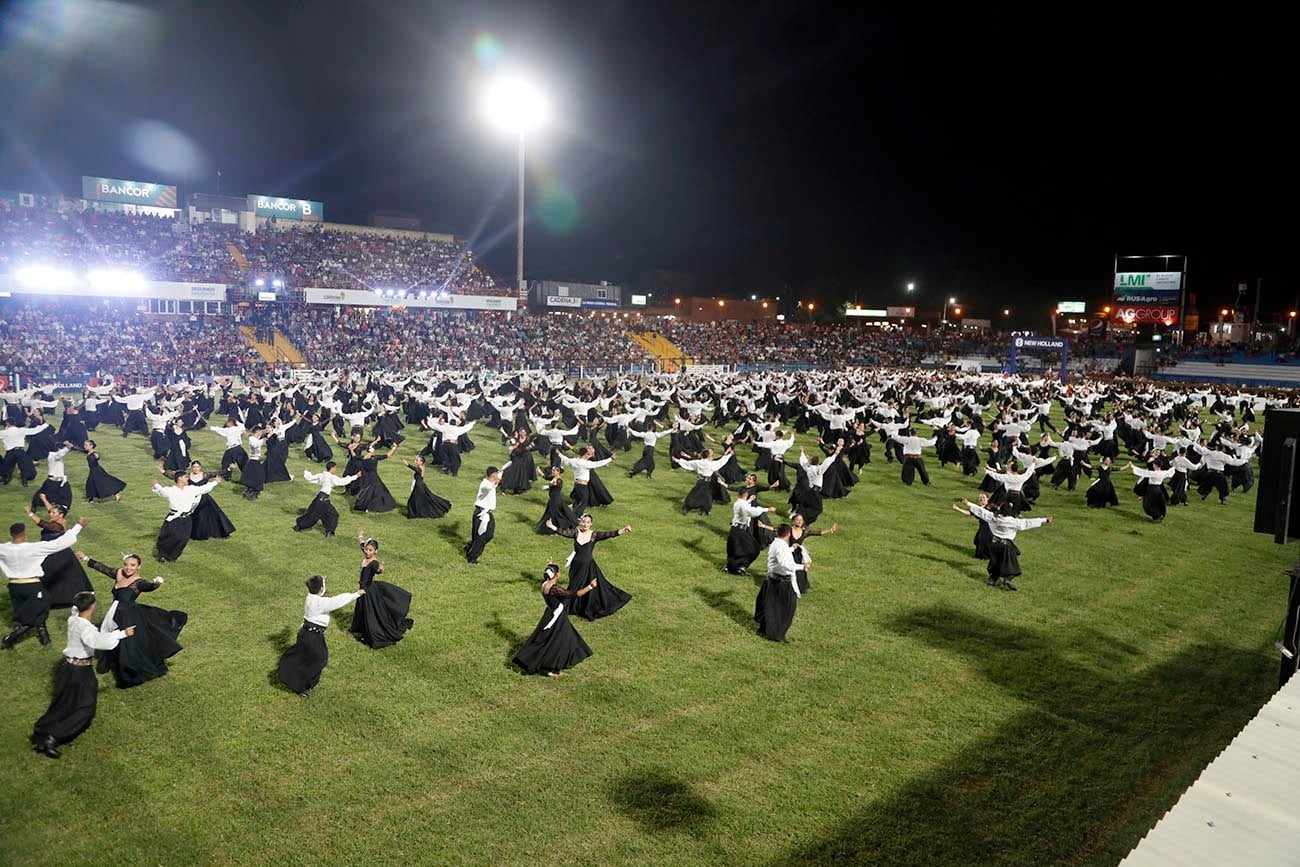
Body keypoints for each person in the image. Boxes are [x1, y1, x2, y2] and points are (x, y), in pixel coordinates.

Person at [30, 591, 136, 758]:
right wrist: (122, 633)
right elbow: (100, 642)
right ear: (92, 606)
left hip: (68, 668)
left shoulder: (74, 619)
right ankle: (53, 736)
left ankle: (42, 731)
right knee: (86, 708)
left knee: (63, 703)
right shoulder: (86, 628)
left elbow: (76, 611)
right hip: (81, 670)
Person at [77, 551, 187, 688]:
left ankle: (129, 674)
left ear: (139, 567)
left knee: (128, 645)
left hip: (129, 615)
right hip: (115, 613)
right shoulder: (119, 573)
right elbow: (102, 568)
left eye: (133, 565)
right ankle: (114, 661)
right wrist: (86, 558)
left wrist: (156, 583)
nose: (128, 568)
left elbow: (148, 586)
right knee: (113, 638)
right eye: (126, 565)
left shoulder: (138, 582)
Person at [1, 516, 86, 649]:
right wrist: (78, 526)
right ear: (24, 533)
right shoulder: (33, 548)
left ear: (11, 534)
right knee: (41, 606)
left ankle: (44, 638)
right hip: (31, 586)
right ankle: (10, 638)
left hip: (13, 587)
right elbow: (60, 543)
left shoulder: (3, 549)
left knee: (33, 611)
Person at [276, 575, 364, 696]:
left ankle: (303, 682)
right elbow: (337, 601)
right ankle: (301, 686)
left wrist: (322, 580)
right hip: (312, 637)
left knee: (305, 658)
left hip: (305, 633)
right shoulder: (320, 603)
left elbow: (320, 592)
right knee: (320, 659)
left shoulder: (310, 597)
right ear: (321, 589)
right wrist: (356, 594)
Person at [511, 560, 596, 677]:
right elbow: (574, 594)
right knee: (564, 641)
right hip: (557, 618)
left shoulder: (544, 585)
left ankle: (551, 667)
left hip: (549, 614)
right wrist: (590, 586)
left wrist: (550, 564)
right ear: (557, 575)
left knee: (551, 640)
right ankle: (551, 668)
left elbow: (549, 575)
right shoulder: (554, 589)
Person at [545, 514, 633, 620]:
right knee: (574, 586)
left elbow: (609, 534)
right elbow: (565, 532)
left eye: (587, 522)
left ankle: (586, 606)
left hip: (588, 567)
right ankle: (572, 606)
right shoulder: (576, 532)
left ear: (591, 524)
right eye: (583, 522)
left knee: (594, 587)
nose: (585, 524)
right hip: (576, 566)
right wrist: (552, 526)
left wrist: (623, 530)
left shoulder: (594, 535)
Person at [957, 498, 1054, 591]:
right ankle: (1007, 579)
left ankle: (992, 579)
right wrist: (1044, 520)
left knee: (995, 562)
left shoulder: (994, 518)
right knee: (1011, 564)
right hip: (1006, 546)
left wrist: (968, 503)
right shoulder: (1014, 522)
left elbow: (981, 511)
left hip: (994, 544)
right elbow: (1028, 522)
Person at [348, 532, 414, 648]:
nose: (367, 552)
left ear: (376, 551)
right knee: (362, 610)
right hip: (363, 589)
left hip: (368, 591)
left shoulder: (374, 563)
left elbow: (377, 570)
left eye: (370, 551)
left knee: (370, 613)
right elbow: (362, 546)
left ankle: (372, 634)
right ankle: (361, 628)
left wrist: (381, 569)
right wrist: (360, 538)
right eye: (366, 550)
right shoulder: (366, 554)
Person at [24, 498, 93, 607]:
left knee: (49, 575)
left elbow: (42, 524)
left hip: (54, 554)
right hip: (59, 552)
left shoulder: (57, 526)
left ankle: (53, 599)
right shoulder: (61, 521)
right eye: (50, 512)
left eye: (53, 513)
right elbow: (51, 511)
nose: (50, 514)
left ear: (61, 515)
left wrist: (30, 513)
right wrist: (44, 499)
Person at [150, 472, 221, 562]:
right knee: (169, 537)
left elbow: (203, 489)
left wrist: (215, 482)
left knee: (183, 539)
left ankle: (172, 556)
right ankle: (162, 554)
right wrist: (156, 484)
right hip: (174, 518)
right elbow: (162, 492)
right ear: (179, 478)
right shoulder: (171, 490)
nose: (188, 478)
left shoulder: (190, 489)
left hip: (186, 518)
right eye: (186, 477)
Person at [754, 524, 801, 642]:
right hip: (781, 582)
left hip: (772, 579)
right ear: (789, 534)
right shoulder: (781, 547)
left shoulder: (776, 543)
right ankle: (777, 635)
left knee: (770, 606)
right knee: (786, 609)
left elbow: (781, 553)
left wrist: (792, 548)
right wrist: (802, 566)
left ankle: (763, 629)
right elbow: (783, 563)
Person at [295, 463, 359, 535]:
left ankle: (329, 531)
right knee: (315, 516)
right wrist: (355, 476)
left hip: (320, 499)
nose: (335, 469)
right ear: (332, 468)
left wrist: (306, 472)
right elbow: (342, 481)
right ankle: (300, 526)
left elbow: (310, 478)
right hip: (323, 500)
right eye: (335, 468)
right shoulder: (332, 478)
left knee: (327, 514)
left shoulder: (321, 475)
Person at [465, 463, 510, 564]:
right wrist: (496, 482)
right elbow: (488, 488)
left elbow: (494, 483)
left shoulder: (490, 482)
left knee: (488, 535)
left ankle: (470, 547)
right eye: (496, 475)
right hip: (482, 514)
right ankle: (472, 557)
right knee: (481, 536)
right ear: (493, 476)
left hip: (487, 513)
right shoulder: (485, 485)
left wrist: (499, 476)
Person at [726, 489, 776, 575]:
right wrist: (767, 509)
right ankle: (740, 567)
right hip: (739, 530)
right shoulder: (742, 505)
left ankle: (731, 567)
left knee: (734, 549)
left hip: (735, 529)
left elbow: (745, 505)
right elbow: (751, 512)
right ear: (745, 495)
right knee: (754, 548)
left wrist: (749, 500)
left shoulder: (738, 503)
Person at [0, 416, 50, 486]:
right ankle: (25, 478)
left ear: (7, 424)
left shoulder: (4, 432)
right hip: (20, 451)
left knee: (7, 466)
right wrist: (45, 425)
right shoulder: (21, 430)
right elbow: (34, 430)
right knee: (27, 466)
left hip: (10, 452)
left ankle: (6, 478)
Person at [352, 443, 399, 513]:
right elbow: (387, 455)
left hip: (365, 477)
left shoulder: (362, 458)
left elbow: (354, 456)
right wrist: (393, 448)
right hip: (373, 477)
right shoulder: (374, 458)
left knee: (366, 491)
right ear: (372, 451)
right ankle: (369, 505)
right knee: (377, 491)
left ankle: (362, 505)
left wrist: (350, 449)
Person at [535, 466, 581, 535]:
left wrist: (552, 485)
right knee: (556, 514)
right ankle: (554, 527)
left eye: (554, 470)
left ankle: (552, 529)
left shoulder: (559, 480)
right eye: (552, 470)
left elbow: (557, 485)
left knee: (554, 515)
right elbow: (545, 477)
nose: (552, 471)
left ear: (558, 472)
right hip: (552, 500)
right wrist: (539, 472)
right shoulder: (553, 477)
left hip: (556, 500)